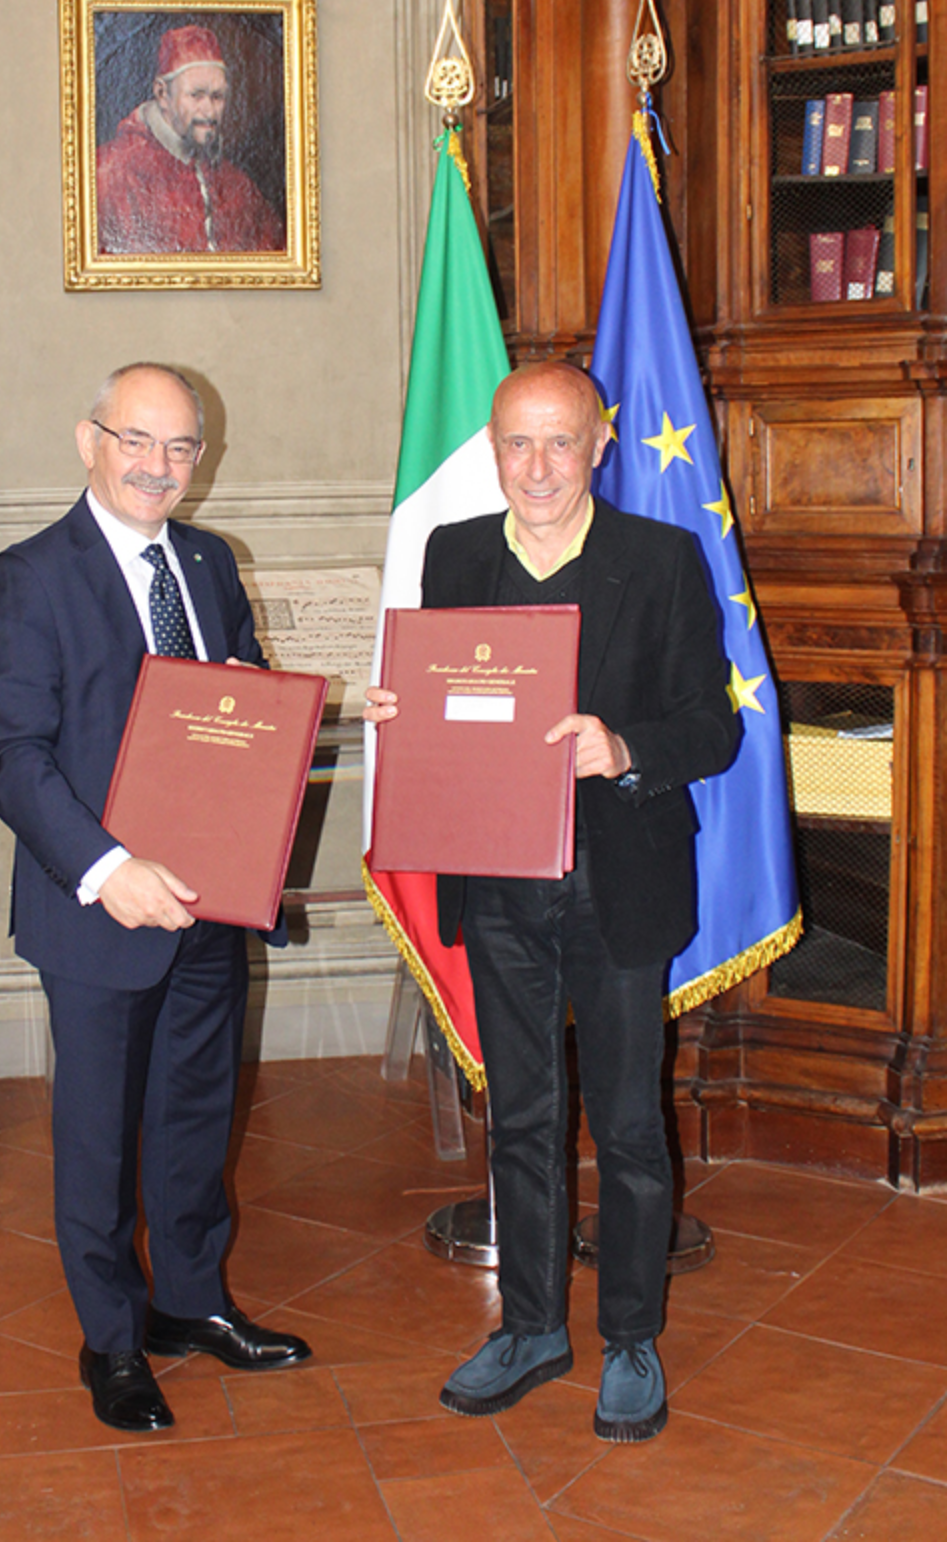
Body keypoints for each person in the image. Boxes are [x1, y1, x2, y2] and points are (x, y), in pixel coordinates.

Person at [365, 361, 741, 1443]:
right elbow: (451, 704)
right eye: (517, 443)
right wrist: (403, 712)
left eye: (560, 441)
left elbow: (712, 727)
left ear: (599, 445)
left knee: (626, 1123)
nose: (537, 467)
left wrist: (622, 747)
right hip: (496, 882)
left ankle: (630, 1338)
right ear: (492, 449)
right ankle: (531, 1327)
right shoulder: (454, 554)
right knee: (521, 1116)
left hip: (618, 881)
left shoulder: (660, 558)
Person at [0, 362, 311, 1433]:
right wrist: (108, 868)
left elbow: (244, 707)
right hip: (98, 908)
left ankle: (191, 1303)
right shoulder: (29, 576)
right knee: (100, 1139)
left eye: (179, 447)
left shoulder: (208, 562)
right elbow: (10, 756)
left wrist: (307, 713)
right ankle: (111, 1340)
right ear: (90, 441)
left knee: (194, 1121)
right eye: (137, 440)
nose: (158, 466)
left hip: (208, 900)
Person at [96, 25, 285, 256]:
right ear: (162, 94)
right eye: (196, 95)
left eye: (217, 97)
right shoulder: (111, 172)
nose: (209, 111)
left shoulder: (235, 183)